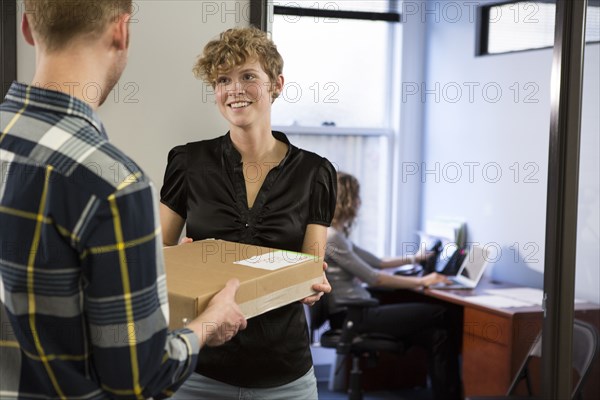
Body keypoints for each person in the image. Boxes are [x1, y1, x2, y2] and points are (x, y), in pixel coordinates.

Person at [0, 1, 247, 399]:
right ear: (122, 31)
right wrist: (208, 323)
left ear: (28, 28)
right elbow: (138, 379)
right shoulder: (114, 185)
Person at [159, 27, 336, 399]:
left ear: (277, 84)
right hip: (199, 371)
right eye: (223, 80)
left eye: (248, 76)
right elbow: (153, 259)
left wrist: (314, 286)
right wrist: (173, 260)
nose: (234, 89)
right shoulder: (187, 163)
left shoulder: (315, 173)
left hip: (285, 375)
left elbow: (311, 265)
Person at [325, 172, 462, 400]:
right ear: (346, 200)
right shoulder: (332, 238)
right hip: (354, 315)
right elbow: (374, 278)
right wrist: (422, 281)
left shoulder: (337, 235)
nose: (360, 202)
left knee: (437, 335)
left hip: (357, 312)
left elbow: (377, 262)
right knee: (441, 313)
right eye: (357, 197)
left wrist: (415, 258)